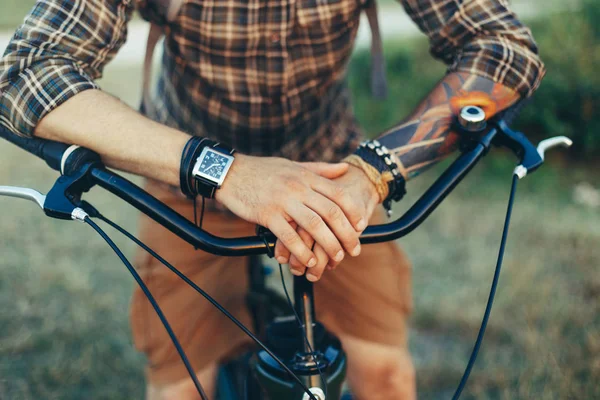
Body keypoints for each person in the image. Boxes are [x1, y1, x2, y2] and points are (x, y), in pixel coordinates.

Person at [0, 0, 544, 398]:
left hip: (334, 177)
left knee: (386, 376)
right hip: (189, 189)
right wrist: (225, 172)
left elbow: (503, 46)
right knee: (183, 388)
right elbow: (26, 72)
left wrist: (372, 172)